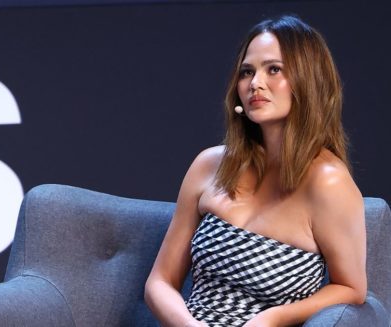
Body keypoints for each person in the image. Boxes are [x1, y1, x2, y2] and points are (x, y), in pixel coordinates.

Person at [144, 15, 366, 327]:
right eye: (247, 72)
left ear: (308, 79)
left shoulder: (328, 181)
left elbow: (352, 288)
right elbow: (159, 282)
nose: (255, 83)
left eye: (274, 69)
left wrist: (272, 318)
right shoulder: (209, 165)